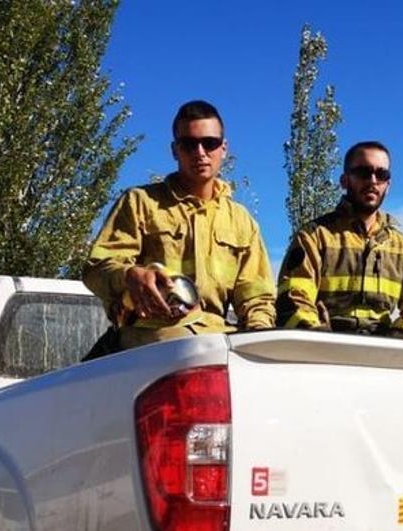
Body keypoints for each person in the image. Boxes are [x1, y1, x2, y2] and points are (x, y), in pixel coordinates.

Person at [83, 100, 274, 350]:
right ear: (175, 150)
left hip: (219, 338)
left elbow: (257, 297)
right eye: (188, 144)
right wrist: (129, 276)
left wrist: (261, 340)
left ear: (224, 148)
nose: (200, 152)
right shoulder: (140, 203)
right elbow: (96, 268)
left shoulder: (242, 221)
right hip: (152, 335)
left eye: (210, 143)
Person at [276, 141, 403, 334]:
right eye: (364, 173)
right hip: (327, 340)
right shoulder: (315, 235)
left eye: (381, 175)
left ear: (387, 185)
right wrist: (317, 334)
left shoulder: (400, 246)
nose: (373, 181)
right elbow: (293, 295)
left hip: (384, 345)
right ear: (345, 180)